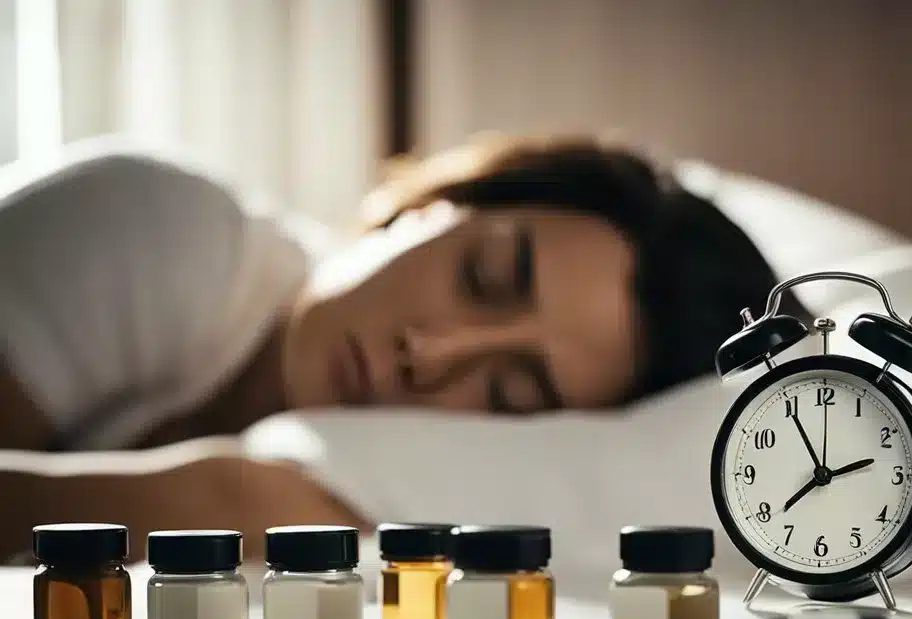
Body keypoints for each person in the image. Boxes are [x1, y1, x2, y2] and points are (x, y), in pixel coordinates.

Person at [0, 134, 782, 560]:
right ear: (434, 204)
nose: (433, 353)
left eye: (508, 394)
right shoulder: (157, 227)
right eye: (482, 275)